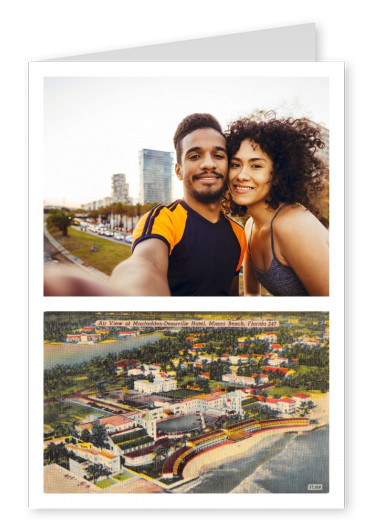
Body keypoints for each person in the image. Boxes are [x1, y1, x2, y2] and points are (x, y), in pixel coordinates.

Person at [44, 113, 246, 296]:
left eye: (218, 155)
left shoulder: (238, 233)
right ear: (178, 170)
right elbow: (144, 264)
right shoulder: (163, 219)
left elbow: (230, 293)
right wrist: (129, 295)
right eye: (195, 156)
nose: (208, 163)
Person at [224, 115, 329, 296]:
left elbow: (334, 308)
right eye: (235, 164)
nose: (241, 175)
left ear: (278, 174)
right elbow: (252, 296)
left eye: (256, 166)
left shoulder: (295, 224)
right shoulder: (250, 226)